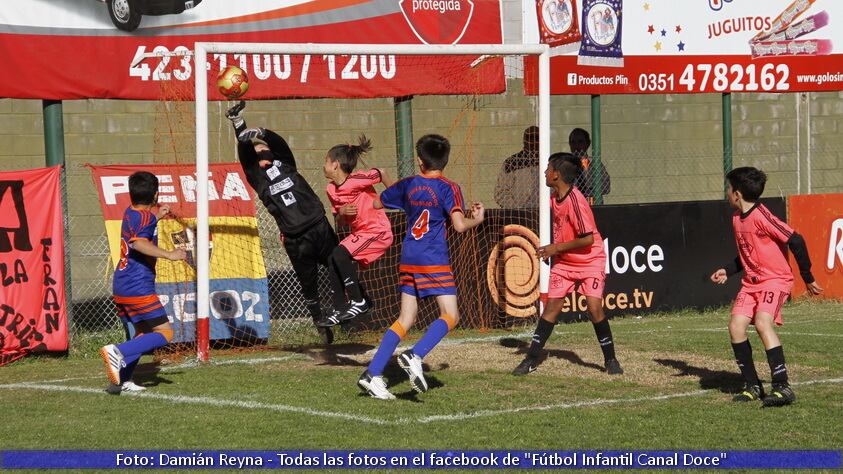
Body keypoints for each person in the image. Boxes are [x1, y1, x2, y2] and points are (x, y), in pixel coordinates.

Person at [357, 134, 485, 399]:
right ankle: (415, 355)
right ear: (445, 161)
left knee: (406, 318)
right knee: (451, 315)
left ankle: (373, 374)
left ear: (419, 160)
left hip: (409, 256)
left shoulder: (409, 184)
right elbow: (460, 226)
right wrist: (478, 219)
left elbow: (378, 202)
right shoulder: (448, 187)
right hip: (433, 257)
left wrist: (396, 188)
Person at [226, 100, 344, 344]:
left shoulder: (286, 165)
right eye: (259, 154)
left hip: (319, 227)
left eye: (266, 150)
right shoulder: (258, 178)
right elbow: (246, 152)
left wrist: (263, 133)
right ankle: (321, 326)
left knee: (341, 265)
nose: (264, 154)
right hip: (295, 239)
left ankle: (353, 307)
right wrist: (239, 123)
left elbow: (281, 146)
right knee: (308, 285)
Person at [710, 167, 822, 406]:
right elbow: (748, 254)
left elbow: (796, 239)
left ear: (737, 193)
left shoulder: (761, 216)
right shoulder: (736, 219)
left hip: (775, 280)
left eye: (728, 189)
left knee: (762, 322)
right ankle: (752, 385)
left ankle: (782, 387)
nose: (727, 193)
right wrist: (728, 271)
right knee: (736, 326)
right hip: (751, 282)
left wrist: (808, 277)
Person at [512, 152, 623, 376]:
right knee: (552, 308)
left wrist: (555, 248)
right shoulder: (554, 197)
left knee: (594, 308)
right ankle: (531, 359)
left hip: (590, 260)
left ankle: (611, 360)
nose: (544, 172)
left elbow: (588, 239)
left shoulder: (576, 201)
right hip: (565, 262)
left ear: (556, 175)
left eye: (547, 169)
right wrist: (556, 249)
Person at [100, 171, 187, 393]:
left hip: (122, 284)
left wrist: (158, 216)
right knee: (165, 333)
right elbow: (138, 243)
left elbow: (140, 229)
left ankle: (121, 382)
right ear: (156, 195)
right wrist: (170, 254)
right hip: (138, 285)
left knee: (141, 333)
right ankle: (116, 351)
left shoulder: (131, 212)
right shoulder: (146, 218)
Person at [317, 135, 395, 327]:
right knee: (333, 257)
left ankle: (358, 300)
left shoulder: (356, 179)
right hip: (361, 233)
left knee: (340, 254)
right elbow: (341, 222)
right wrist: (342, 213)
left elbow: (382, 173)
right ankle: (339, 308)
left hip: (377, 232)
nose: (323, 166)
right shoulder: (331, 190)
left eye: (325, 162)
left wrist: (396, 196)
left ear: (335, 165)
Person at [495, 126, 540, 209]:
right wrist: (517, 210)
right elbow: (500, 193)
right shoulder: (512, 163)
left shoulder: (550, 162)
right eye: (529, 138)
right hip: (518, 214)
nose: (533, 141)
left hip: (545, 214)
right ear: (524, 140)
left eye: (537, 138)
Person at [569, 128, 611, 204]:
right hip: (574, 205)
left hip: (593, 205)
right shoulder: (566, 164)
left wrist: (588, 191)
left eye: (580, 142)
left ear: (587, 143)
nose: (576, 145)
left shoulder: (595, 163)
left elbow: (606, 187)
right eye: (573, 142)